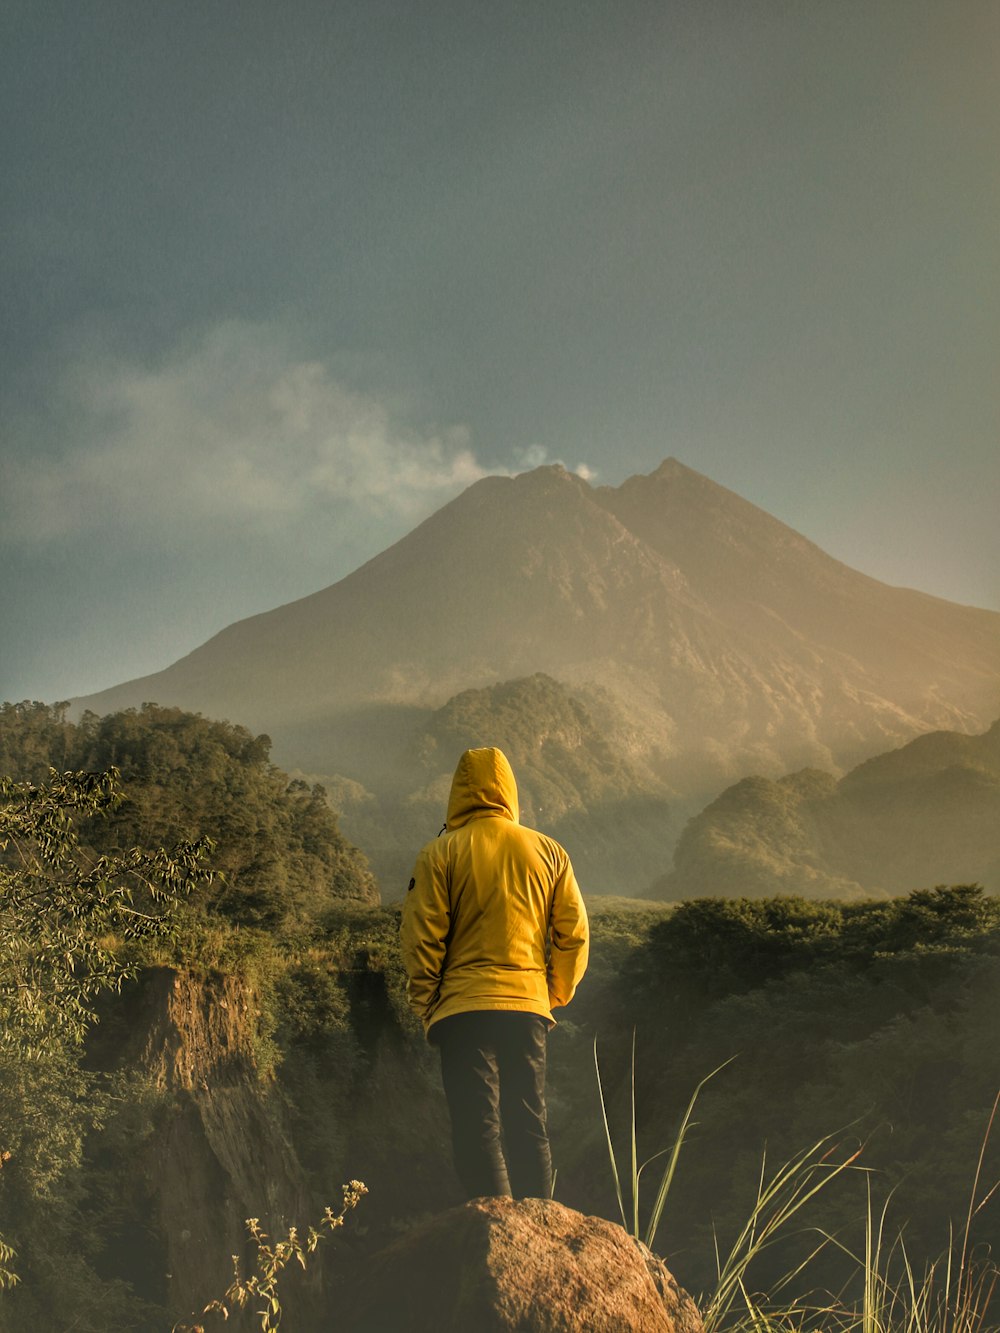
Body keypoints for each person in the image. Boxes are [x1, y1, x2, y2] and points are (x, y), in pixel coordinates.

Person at [400, 746, 589, 1201]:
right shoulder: (549, 852)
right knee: (529, 1119)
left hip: (462, 1008)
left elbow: (421, 938)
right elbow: (575, 935)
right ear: (509, 790)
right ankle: (541, 1223)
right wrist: (552, 993)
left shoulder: (439, 853)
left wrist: (426, 1003)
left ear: (457, 793)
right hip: (527, 1005)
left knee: (476, 1124)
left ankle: (496, 1222)